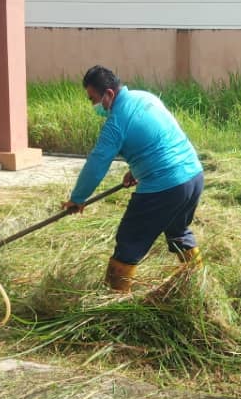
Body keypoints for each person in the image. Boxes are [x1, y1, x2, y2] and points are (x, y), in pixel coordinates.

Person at [62, 66, 205, 293]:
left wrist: (77, 198)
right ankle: (198, 283)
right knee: (178, 231)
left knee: (130, 240)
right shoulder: (144, 97)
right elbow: (159, 137)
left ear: (108, 94)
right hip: (193, 176)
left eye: (93, 99)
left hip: (165, 186)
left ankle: (115, 297)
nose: (94, 106)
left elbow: (96, 165)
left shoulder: (116, 122)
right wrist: (139, 170)